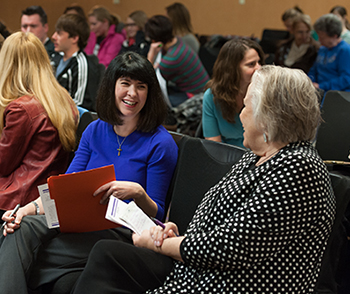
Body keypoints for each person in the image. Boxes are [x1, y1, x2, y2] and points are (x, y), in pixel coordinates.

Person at [70, 65, 335, 293]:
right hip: (203, 266)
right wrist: (177, 233)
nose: (241, 114)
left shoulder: (298, 168)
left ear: (269, 119)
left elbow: (231, 246)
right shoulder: (258, 156)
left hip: (233, 282)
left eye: (246, 106)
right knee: (108, 254)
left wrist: (161, 244)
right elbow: (227, 227)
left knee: (109, 259)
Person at [0, 51, 178, 293]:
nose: (132, 93)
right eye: (125, 84)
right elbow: (64, 188)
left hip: (119, 231)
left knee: (20, 250)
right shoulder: (95, 130)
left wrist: (137, 192)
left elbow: (157, 213)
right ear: (111, 87)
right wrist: (24, 210)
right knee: (20, 227)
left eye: (141, 86)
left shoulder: (160, 143)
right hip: (78, 221)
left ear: (150, 93)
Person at [0, 32, 78, 217]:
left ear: (8, 64)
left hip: (18, 200)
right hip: (46, 197)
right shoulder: (63, 98)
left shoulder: (21, 109)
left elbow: (3, 164)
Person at [202, 38, 264, 148]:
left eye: (259, 62)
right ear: (232, 69)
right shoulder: (212, 96)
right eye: (251, 64)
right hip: (227, 158)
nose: (259, 68)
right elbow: (213, 145)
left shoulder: (266, 93)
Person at [145, 15, 209, 107]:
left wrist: (150, 56)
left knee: (155, 101)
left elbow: (148, 77)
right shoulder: (179, 41)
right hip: (204, 90)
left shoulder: (171, 59)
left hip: (198, 98)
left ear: (154, 40)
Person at [51, 13, 103, 111]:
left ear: (74, 38)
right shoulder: (55, 58)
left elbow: (79, 103)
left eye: (59, 33)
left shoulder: (81, 64)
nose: (54, 36)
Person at [308, 13, 350, 93]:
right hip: (319, 91)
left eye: (322, 38)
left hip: (335, 94)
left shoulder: (345, 50)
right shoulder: (323, 49)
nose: (319, 41)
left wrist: (321, 86)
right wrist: (309, 82)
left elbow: (346, 79)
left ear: (334, 36)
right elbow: (314, 70)